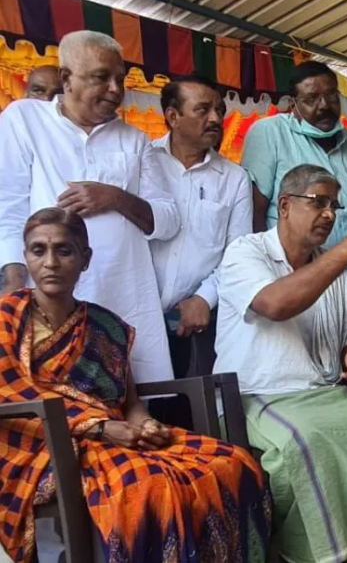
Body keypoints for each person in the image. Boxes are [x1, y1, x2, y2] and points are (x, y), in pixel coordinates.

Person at [0, 207, 271, 563]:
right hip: (39, 446)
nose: (50, 262)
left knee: (231, 463)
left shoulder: (105, 326)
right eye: (39, 250)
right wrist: (99, 428)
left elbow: (129, 403)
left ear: (85, 258)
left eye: (64, 250)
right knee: (148, 485)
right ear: (26, 256)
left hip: (117, 435)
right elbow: (8, 392)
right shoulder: (7, 315)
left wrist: (145, 425)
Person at [212, 164, 347, 563]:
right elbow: (274, 304)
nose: (329, 214)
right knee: (305, 441)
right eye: (319, 202)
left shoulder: (331, 266)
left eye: (334, 206)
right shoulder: (246, 251)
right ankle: (307, 552)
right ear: (285, 206)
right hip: (255, 396)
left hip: (320, 393)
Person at [0, 30, 177, 384]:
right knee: (61, 399)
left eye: (120, 79)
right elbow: (9, 208)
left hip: (126, 295)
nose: (115, 89)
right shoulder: (25, 119)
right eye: (101, 77)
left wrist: (114, 197)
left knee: (140, 396)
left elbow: (168, 218)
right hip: (54, 296)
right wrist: (14, 291)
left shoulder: (134, 138)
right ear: (66, 78)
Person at [242, 60, 347, 292]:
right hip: (292, 284)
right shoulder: (269, 133)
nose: (324, 105)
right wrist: (266, 280)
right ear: (293, 104)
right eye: (311, 99)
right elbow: (254, 213)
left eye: (331, 96)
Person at [150, 76, 252, 377]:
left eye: (219, 110)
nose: (216, 119)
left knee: (190, 400)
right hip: (138, 314)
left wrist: (204, 298)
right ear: (173, 116)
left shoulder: (234, 178)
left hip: (198, 324)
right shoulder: (144, 161)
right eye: (203, 109)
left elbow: (238, 254)